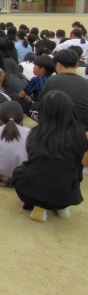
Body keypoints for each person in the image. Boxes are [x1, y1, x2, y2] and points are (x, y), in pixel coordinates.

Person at [12, 91, 88, 222]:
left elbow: (32, 160)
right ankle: (61, 207)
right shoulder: (80, 134)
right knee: (68, 173)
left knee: (20, 172)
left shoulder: (36, 134)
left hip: (32, 192)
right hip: (67, 194)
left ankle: (39, 207)